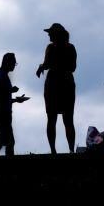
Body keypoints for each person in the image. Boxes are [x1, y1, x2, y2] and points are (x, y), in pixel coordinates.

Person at [36, 23, 77, 154]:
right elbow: (72, 67)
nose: (48, 35)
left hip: (56, 84)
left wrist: (45, 66)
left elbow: (70, 67)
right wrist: (44, 66)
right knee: (65, 119)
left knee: (57, 118)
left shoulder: (55, 48)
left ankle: (58, 150)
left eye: (50, 33)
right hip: (63, 84)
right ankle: (65, 150)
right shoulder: (69, 47)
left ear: (56, 34)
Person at [0, 53, 30, 157]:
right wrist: (10, 90)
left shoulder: (1, 75)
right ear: (7, 62)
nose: (14, 66)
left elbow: (2, 98)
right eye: (13, 63)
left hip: (2, 114)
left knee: (4, 143)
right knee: (5, 143)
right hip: (0, 115)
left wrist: (16, 100)